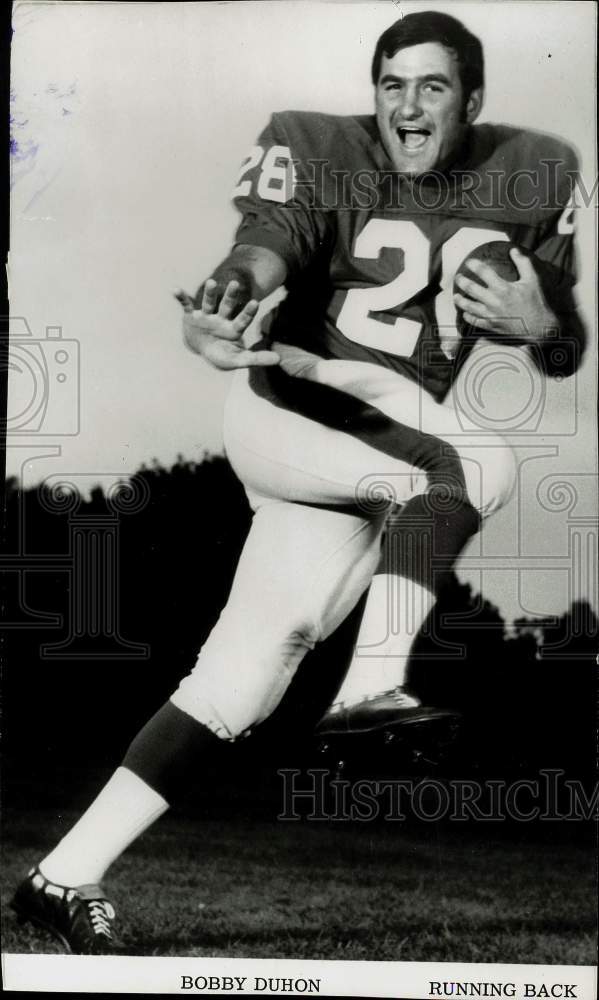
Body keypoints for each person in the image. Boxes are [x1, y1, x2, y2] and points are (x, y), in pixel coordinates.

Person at [11, 10, 585, 954]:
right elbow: (260, 248)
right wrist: (226, 301)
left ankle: (60, 877)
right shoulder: (312, 146)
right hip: (296, 403)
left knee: (242, 679)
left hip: (380, 451)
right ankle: (369, 691)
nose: (407, 105)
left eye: (431, 86)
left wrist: (542, 325)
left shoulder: (537, 167)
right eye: (391, 83)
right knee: (474, 461)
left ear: (471, 100)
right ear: (373, 92)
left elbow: (562, 345)